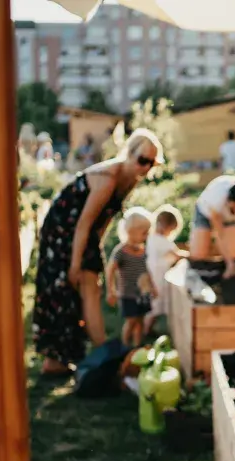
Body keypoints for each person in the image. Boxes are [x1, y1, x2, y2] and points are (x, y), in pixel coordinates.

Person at [32, 128, 163, 375]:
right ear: (129, 154)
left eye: (152, 163)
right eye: (142, 160)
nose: (146, 168)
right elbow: (83, 223)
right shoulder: (108, 178)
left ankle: (77, 359)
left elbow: (104, 219)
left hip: (83, 232)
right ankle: (101, 357)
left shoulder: (130, 179)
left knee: (89, 287)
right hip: (63, 228)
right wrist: (75, 264)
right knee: (71, 287)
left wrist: (96, 248)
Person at [188, 173, 235, 279]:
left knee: (234, 252)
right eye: (233, 207)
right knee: (198, 254)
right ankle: (221, 262)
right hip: (205, 214)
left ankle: (226, 262)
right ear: (228, 200)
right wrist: (230, 264)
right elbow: (219, 234)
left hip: (229, 219)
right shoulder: (217, 198)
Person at [106, 208, 156, 347]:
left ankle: (136, 346)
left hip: (143, 293)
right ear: (131, 232)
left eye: (148, 232)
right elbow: (110, 270)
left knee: (140, 321)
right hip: (128, 294)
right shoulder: (121, 251)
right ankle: (125, 345)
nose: (147, 236)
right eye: (144, 233)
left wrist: (153, 287)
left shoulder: (143, 250)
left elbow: (147, 271)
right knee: (131, 320)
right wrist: (111, 290)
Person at [145, 204, 188, 334]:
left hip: (154, 276)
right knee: (157, 308)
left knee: (155, 308)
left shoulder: (152, 239)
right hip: (159, 279)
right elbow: (177, 254)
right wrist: (192, 256)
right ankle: (146, 332)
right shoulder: (162, 241)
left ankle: (148, 332)